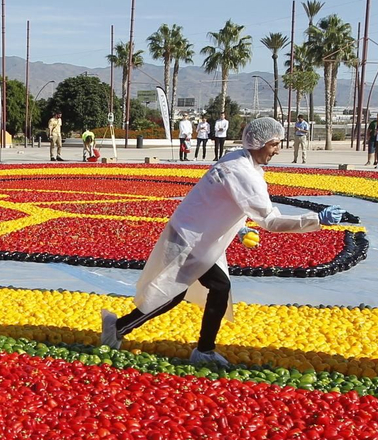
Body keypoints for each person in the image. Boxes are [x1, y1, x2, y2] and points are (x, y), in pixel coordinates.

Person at [101, 117, 345, 368]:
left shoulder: (240, 161)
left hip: (201, 236)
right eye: (274, 144)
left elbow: (225, 201)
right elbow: (270, 221)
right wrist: (317, 219)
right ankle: (121, 328)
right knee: (179, 293)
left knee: (212, 288)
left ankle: (197, 347)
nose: (277, 150)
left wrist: (239, 228)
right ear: (259, 143)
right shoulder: (241, 172)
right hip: (190, 238)